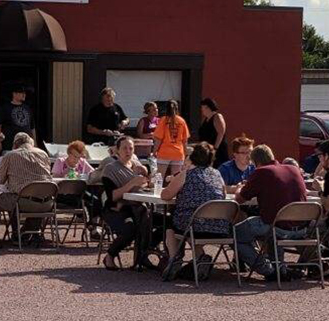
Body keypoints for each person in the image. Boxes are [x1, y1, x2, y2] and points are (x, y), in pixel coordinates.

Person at [234, 144, 309, 281]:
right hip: (301, 227)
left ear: (256, 162)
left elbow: (240, 199)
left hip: (275, 225)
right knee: (267, 228)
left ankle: (267, 269)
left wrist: (239, 188)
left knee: (235, 233)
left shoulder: (262, 172)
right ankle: (279, 267)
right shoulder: (294, 169)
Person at [159, 143, 230, 280]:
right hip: (219, 226)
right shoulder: (217, 174)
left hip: (193, 225)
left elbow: (165, 196)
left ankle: (174, 258)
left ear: (192, 158)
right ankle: (200, 259)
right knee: (192, 224)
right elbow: (224, 195)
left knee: (171, 222)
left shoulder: (186, 175)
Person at [0, 132, 53, 248]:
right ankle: (23, 234)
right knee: (34, 199)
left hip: (22, 202)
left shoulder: (10, 155)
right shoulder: (43, 154)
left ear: (15, 145)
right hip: (47, 203)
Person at [96, 136, 156, 270]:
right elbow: (113, 196)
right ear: (117, 150)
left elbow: (145, 188)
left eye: (131, 148)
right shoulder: (111, 168)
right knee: (131, 228)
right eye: (124, 148)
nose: (128, 151)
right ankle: (110, 256)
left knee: (162, 224)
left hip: (138, 207)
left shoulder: (138, 166)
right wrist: (132, 183)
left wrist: (149, 181)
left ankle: (144, 255)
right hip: (117, 209)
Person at [151, 99, 188, 176]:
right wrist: (185, 153)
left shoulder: (163, 120)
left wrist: (154, 152)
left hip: (164, 153)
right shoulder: (182, 121)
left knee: (159, 177)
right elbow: (185, 140)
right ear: (177, 108)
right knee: (175, 179)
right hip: (178, 153)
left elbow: (158, 139)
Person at [0, 86, 35, 153]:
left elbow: (32, 128)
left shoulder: (27, 108)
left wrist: (34, 143)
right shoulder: (5, 108)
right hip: (9, 146)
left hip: (27, 147)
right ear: (14, 94)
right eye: (21, 93)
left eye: (24, 93)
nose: (24, 95)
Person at [197, 98, 228, 167]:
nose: (201, 110)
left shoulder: (217, 116)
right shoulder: (206, 119)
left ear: (207, 107)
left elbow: (221, 133)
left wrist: (215, 149)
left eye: (202, 107)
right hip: (207, 151)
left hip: (217, 151)